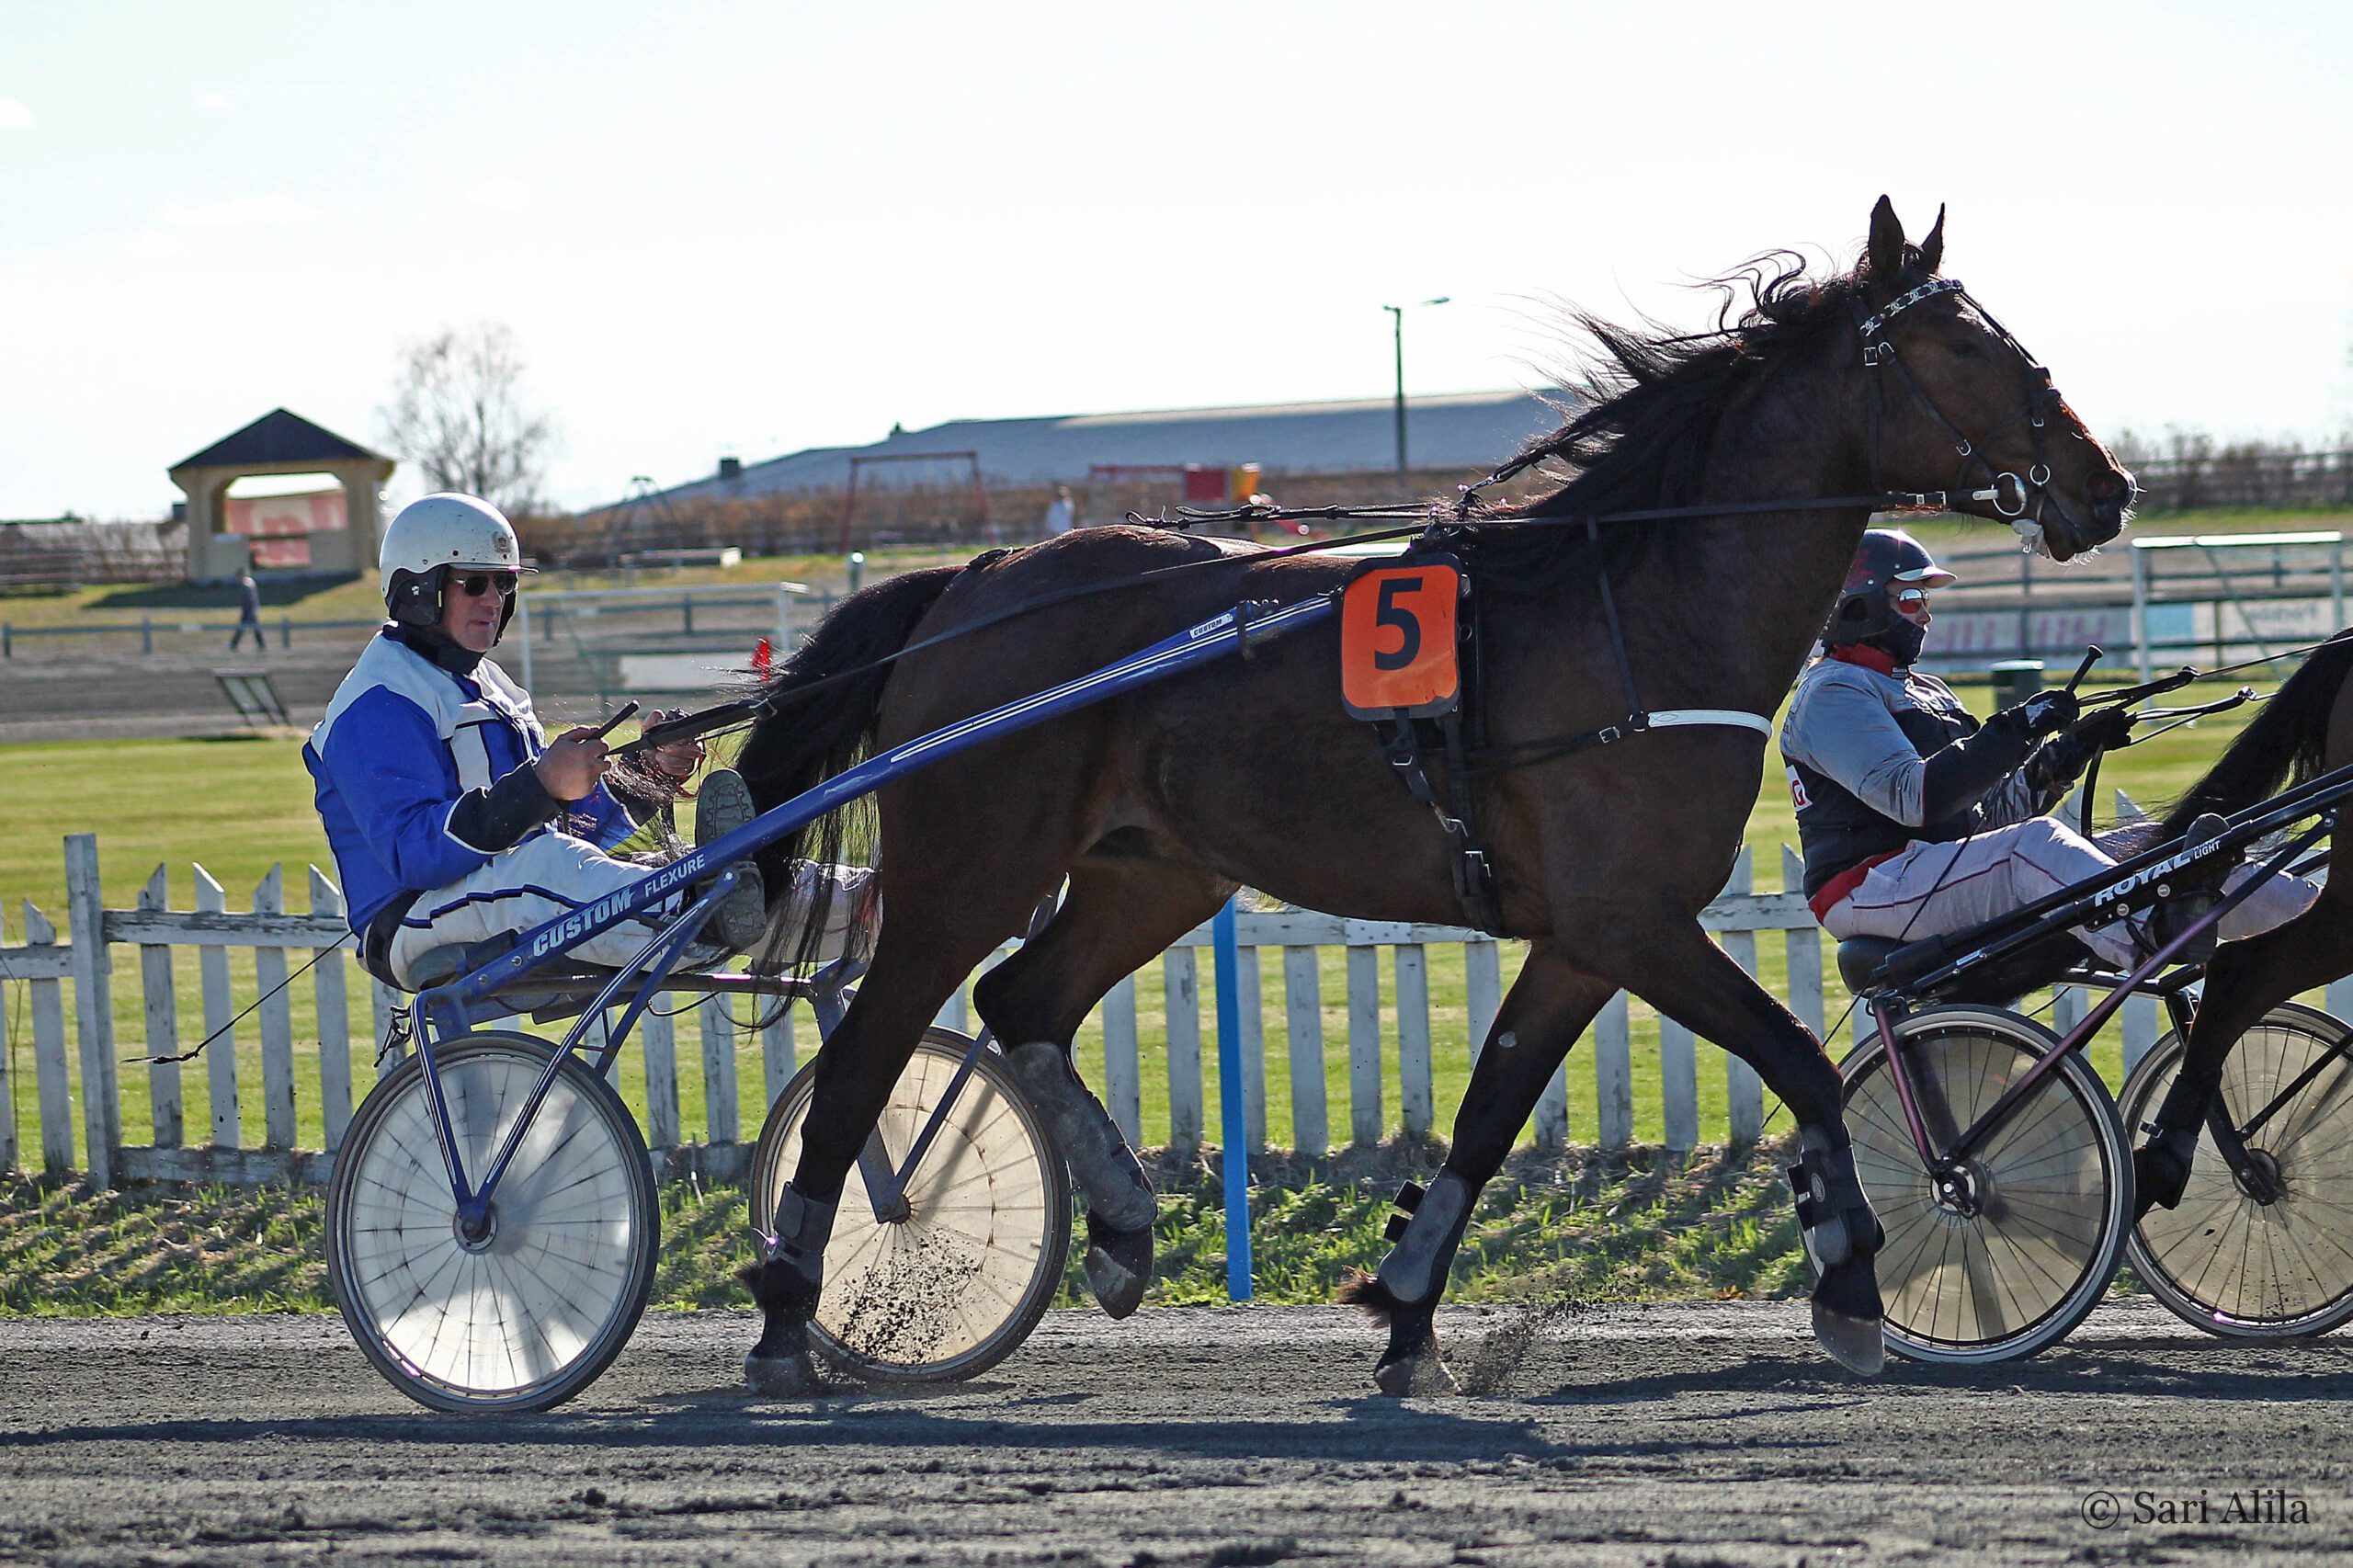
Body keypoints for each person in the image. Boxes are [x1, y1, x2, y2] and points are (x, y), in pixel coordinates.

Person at [306, 492, 871, 990]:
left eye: (505, 583)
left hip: (511, 889)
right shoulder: (378, 702)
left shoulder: (495, 688)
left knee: (678, 867)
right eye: (474, 583)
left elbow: (577, 835)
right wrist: (540, 785)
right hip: (412, 919)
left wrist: (647, 773)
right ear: (418, 588)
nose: (494, 600)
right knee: (548, 868)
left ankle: (872, 904)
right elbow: (413, 853)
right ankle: (706, 906)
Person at [1780, 528, 2317, 971]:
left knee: (2166, 845)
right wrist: (2019, 727)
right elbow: (1914, 798)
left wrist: (2065, 756)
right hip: (1870, 885)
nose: (1925, 615)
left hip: (1939, 870)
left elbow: (1990, 820)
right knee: (2034, 845)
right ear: (1860, 605)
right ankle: (2152, 933)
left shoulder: (1928, 691)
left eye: (1926, 600)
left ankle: (2319, 922)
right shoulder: (1832, 692)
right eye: (1911, 599)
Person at [229, 571, 266, 652]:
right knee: (254, 628)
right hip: (249, 610)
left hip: (249, 610)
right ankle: (261, 645)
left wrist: (251, 610)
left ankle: (233, 644)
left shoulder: (246, 584)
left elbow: (250, 598)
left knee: (243, 628)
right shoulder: (249, 582)